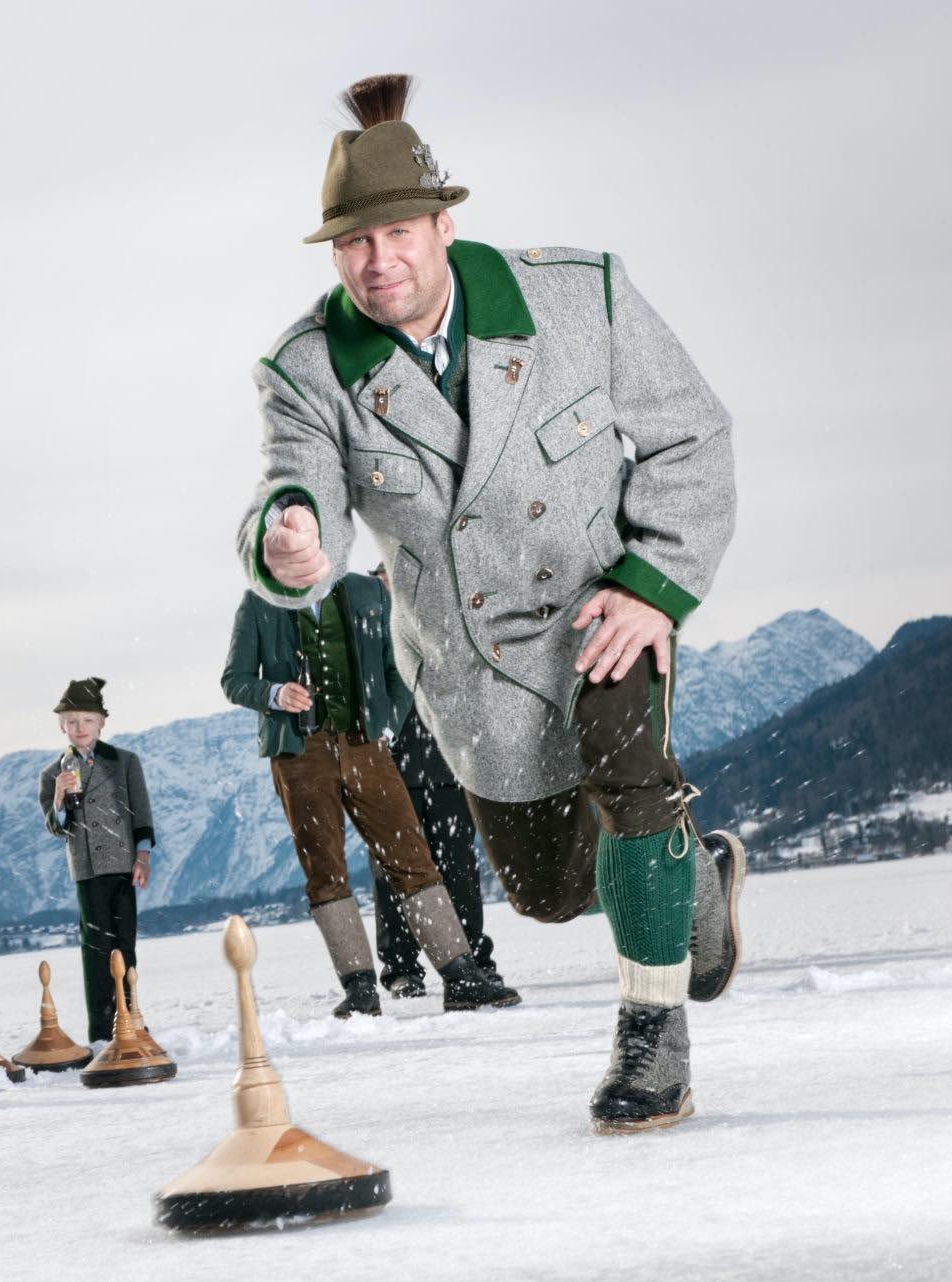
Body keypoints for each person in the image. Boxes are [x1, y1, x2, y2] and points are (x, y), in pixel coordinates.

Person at [238, 74, 745, 1132]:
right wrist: (290, 537)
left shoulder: (580, 296)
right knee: (550, 892)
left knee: (633, 784)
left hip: (605, 606)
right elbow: (297, 494)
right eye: (352, 242)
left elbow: (691, 435)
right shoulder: (306, 369)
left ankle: (652, 1043)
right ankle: (690, 875)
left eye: (396, 233)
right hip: (469, 660)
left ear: (443, 224)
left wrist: (653, 585)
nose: (377, 260)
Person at [221, 577, 518, 1017]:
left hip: (366, 746)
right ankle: (360, 988)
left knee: (411, 857)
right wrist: (274, 693)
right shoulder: (258, 602)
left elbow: (398, 668)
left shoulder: (368, 592)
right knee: (325, 869)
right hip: (299, 753)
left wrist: (388, 725)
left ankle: (460, 977)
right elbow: (234, 680)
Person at [369, 563, 498, 998]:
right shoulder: (367, 631)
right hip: (388, 771)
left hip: (448, 768)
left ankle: (474, 959)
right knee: (393, 873)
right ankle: (401, 968)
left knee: (459, 869)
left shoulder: (444, 626)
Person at [35, 678, 156, 1042]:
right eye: (72, 722)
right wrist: (59, 798)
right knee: (96, 949)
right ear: (62, 727)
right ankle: (102, 1032)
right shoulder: (52, 774)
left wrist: (142, 856)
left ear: (102, 722)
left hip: (123, 865)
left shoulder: (125, 762)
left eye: (87, 720)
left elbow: (141, 812)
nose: (80, 728)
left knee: (125, 944)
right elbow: (57, 828)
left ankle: (130, 1019)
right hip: (87, 869)